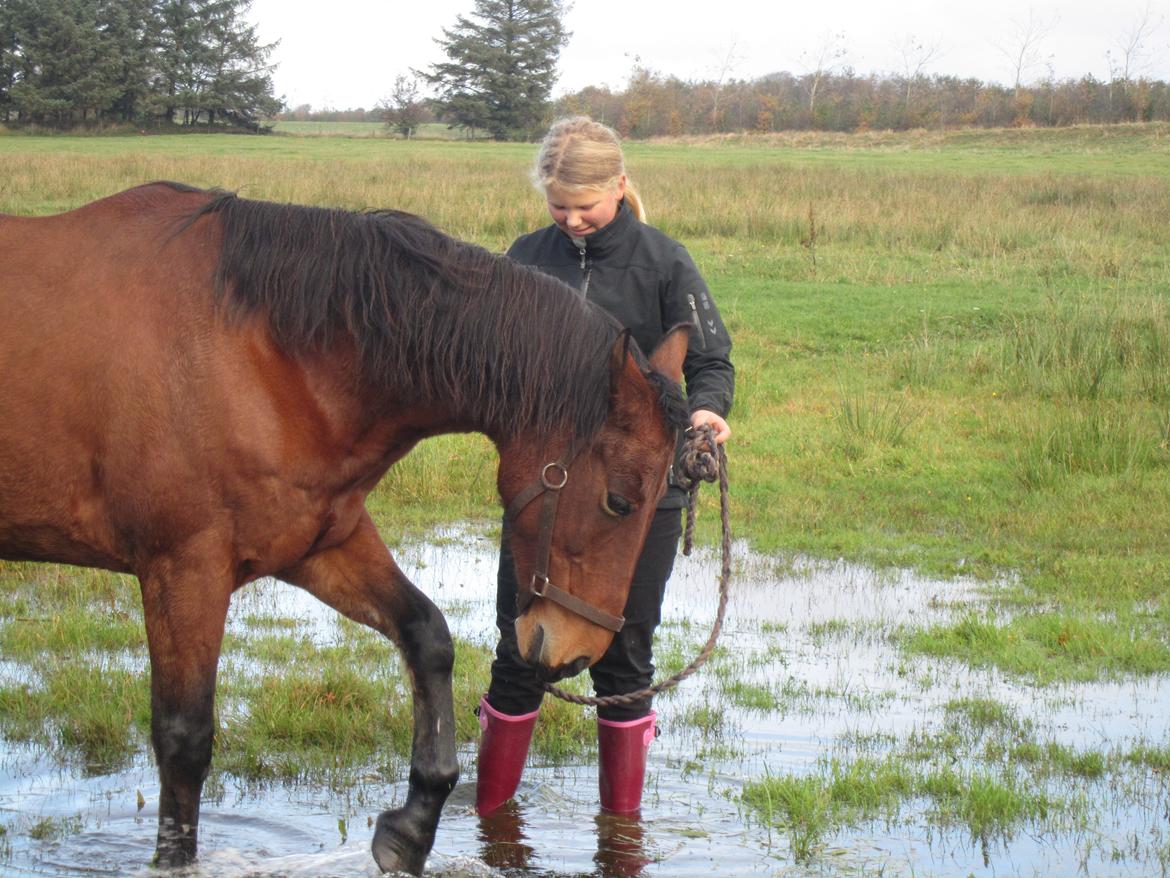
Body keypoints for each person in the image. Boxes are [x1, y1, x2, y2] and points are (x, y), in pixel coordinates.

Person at [476, 116, 734, 817]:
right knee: (518, 649)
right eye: (558, 206)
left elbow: (710, 359)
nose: (571, 220)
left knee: (624, 660)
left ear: (620, 186)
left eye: (584, 206)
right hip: (547, 489)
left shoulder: (663, 262)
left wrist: (707, 413)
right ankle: (490, 819)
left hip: (640, 492)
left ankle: (621, 835)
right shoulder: (526, 257)